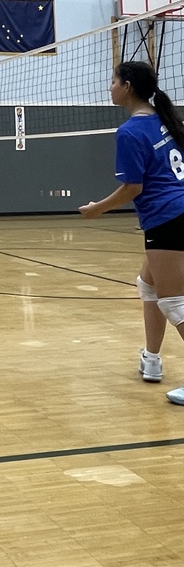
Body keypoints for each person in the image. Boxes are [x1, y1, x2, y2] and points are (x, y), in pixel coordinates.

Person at [79, 61, 184, 404]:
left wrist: (97, 209)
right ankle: (152, 360)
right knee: (148, 285)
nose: (109, 86)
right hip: (176, 212)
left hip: (169, 218)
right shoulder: (165, 120)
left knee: (174, 302)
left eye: (113, 81)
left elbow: (132, 188)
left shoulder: (130, 132)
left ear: (126, 86)